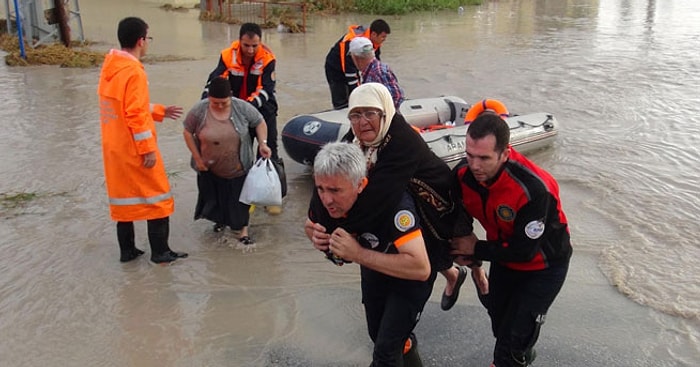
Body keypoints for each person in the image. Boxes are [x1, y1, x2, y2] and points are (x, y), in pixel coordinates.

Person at [316, 82, 484, 312]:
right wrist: (318, 222)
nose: (362, 121)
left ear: (385, 112)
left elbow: (376, 200)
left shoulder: (402, 139)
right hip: (407, 197)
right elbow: (329, 176)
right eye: (355, 114)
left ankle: (475, 275)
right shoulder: (357, 137)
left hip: (437, 202)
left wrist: (339, 233)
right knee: (416, 243)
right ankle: (454, 275)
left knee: (452, 247)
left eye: (369, 113)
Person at [451, 112, 573, 367]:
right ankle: (521, 354)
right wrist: (464, 237)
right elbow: (453, 211)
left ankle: (514, 356)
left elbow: (524, 251)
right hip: (503, 259)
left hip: (544, 267)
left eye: (484, 158)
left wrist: (476, 248)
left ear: (505, 154)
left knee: (510, 346)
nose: (474, 165)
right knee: (500, 327)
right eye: (470, 155)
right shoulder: (463, 174)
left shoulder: (534, 190)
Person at [306, 142, 432, 366]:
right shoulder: (325, 198)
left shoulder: (393, 204)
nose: (327, 199)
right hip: (374, 272)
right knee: (379, 337)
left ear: (360, 185)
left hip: (410, 277)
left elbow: (420, 268)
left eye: (335, 190)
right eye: (321, 189)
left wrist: (357, 253)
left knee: (385, 352)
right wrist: (315, 236)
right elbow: (310, 224)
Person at [97, 17, 188, 265]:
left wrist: (159, 110)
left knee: (123, 201)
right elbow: (135, 113)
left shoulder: (110, 67)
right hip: (133, 149)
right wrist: (147, 150)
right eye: (148, 38)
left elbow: (124, 106)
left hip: (114, 148)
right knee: (158, 199)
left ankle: (127, 252)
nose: (148, 43)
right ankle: (160, 253)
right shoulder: (134, 71)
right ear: (141, 40)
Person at [202, 22, 284, 214]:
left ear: (260, 43)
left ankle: (272, 195)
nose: (250, 49)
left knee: (269, 147)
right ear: (240, 41)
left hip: (264, 109)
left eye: (254, 45)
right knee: (240, 154)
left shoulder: (267, 58)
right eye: (246, 45)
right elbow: (215, 81)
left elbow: (265, 90)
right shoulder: (227, 56)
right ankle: (247, 195)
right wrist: (207, 104)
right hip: (238, 111)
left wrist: (244, 108)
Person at [183, 77, 271, 244]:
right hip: (209, 167)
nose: (220, 106)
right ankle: (221, 221)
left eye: (224, 102)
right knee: (215, 199)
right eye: (216, 103)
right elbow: (187, 131)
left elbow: (259, 122)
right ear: (209, 98)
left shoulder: (241, 107)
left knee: (240, 202)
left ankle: (243, 231)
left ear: (230, 97)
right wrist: (197, 157)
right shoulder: (199, 110)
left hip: (237, 166)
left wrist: (263, 144)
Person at [324, 19, 391, 109]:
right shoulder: (352, 44)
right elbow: (349, 72)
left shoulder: (374, 41)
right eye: (383, 37)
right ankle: (342, 110)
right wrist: (359, 94)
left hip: (353, 64)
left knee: (359, 88)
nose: (384, 40)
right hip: (335, 68)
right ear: (374, 34)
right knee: (341, 95)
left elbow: (375, 65)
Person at [348, 37, 405, 109]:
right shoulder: (370, 71)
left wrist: (381, 116)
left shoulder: (378, 72)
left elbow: (396, 97)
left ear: (356, 58)